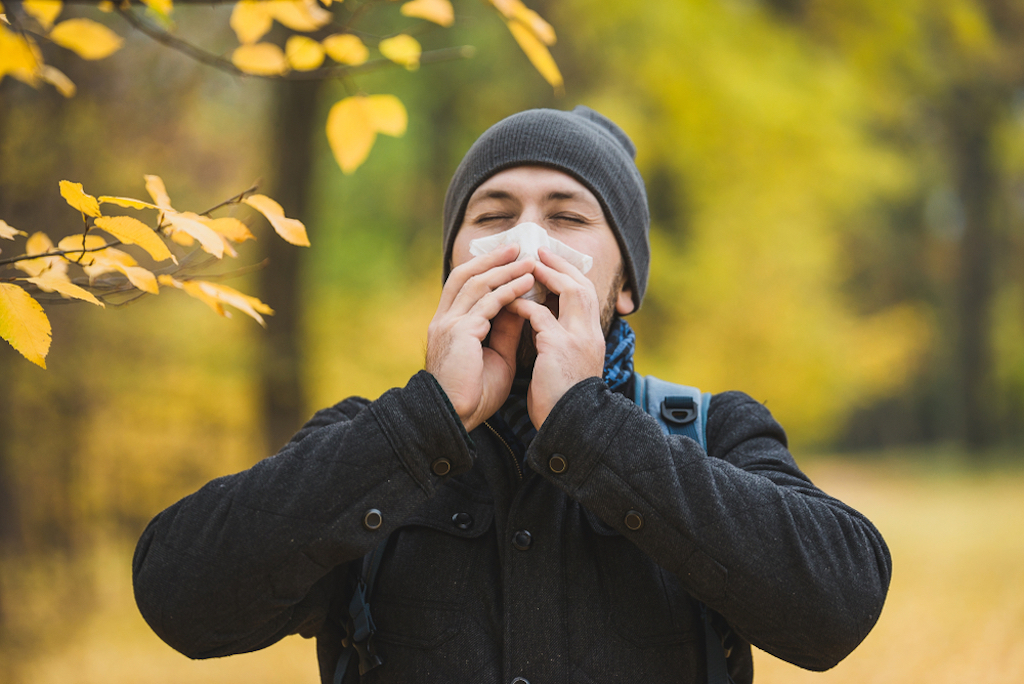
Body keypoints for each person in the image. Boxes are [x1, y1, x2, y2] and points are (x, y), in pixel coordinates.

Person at [132, 106, 891, 684]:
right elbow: (179, 595)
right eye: (493, 217)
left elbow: (838, 607)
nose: (525, 243)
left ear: (625, 285)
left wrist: (588, 426)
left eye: (567, 217)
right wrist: (428, 420)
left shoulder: (711, 430)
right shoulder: (371, 442)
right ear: (453, 267)